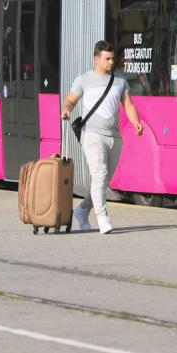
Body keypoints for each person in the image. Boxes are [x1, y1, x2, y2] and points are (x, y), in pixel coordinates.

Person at [61, 40, 143, 234]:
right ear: (96, 59)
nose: (111, 62)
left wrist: (136, 122)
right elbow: (70, 101)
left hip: (115, 137)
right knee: (100, 173)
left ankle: (82, 210)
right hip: (92, 134)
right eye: (107, 59)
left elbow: (128, 105)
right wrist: (66, 110)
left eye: (113, 59)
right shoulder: (84, 80)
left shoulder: (120, 80)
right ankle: (103, 218)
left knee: (104, 180)